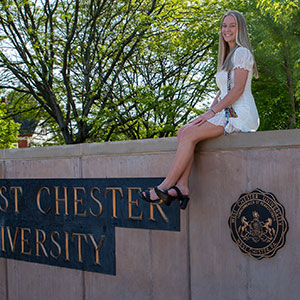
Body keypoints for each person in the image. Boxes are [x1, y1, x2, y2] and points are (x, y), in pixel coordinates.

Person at [138, 10, 259, 209]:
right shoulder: (228, 55)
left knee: (189, 134)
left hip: (240, 113)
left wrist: (212, 113)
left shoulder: (242, 53)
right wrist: (207, 112)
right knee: (184, 131)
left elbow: (237, 90)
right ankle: (183, 186)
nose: (227, 30)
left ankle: (166, 186)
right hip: (226, 110)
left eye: (232, 25)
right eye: (224, 26)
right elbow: (222, 93)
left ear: (240, 29)